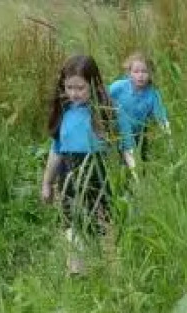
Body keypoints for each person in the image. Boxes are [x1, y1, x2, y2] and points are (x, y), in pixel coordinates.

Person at [40, 55, 115, 275]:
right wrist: (46, 184)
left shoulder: (104, 113)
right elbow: (56, 151)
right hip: (69, 174)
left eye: (80, 88)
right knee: (72, 225)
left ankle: (109, 270)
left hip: (99, 174)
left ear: (93, 84)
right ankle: (77, 272)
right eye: (69, 87)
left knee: (103, 223)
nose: (74, 93)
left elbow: (119, 148)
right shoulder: (64, 114)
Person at [108, 52, 168, 169]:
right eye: (136, 72)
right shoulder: (119, 87)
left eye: (144, 72)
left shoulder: (153, 94)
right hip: (116, 132)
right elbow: (102, 98)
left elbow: (161, 116)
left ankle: (139, 176)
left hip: (139, 134)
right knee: (120, 160)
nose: (140, 75)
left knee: (141, 160)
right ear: (129, 73)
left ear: (150, 74)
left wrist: (167, 133)